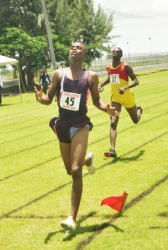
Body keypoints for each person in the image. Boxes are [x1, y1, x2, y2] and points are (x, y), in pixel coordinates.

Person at [34, 41, 115, 231]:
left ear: (84, 55)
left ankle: (72, 217)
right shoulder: (58, 74)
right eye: (72, 47)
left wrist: (107, 109)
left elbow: (96, 101)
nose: (74, 49)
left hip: (80, 124)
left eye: (78, 48)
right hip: (62, 124)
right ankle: (88, 160)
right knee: (70, 171)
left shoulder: (91, 76)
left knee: (76, 169)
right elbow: (48, 100)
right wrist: (40, 97)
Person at [98, 47, 143, 158]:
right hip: (116, 98)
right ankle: (112, 150)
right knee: (114, 121)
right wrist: (100, 85)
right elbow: (110, 78)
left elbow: (136, 81)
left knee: (135, 120)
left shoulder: (125, 66)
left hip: (127, 97)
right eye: (113, 51)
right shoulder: (108, 67)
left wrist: (125, 87)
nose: (114, 53)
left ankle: (139, 110)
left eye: (117, 52)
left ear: (121, 55)